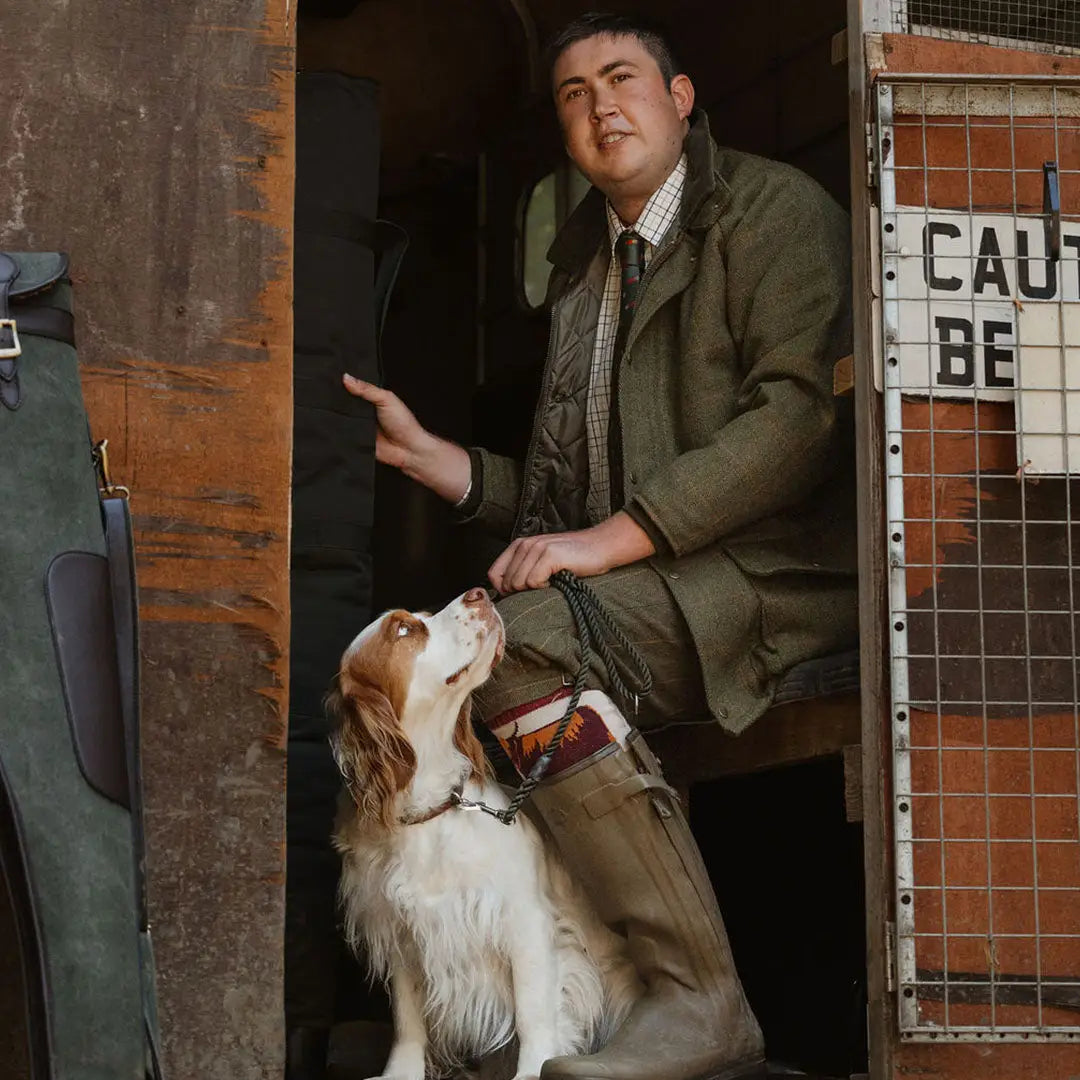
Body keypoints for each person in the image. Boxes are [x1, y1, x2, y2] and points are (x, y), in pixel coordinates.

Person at [344, 13, 857, 1080]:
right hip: (659, 576)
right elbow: (563, 500)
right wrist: (455, 470)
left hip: (779, 573)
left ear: (681, 98)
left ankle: (700, 1001)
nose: (598, 105)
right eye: (572, 94)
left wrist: (614, 538)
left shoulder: (771, 212)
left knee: (513, 645)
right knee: (499, 632)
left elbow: (798, 423)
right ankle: (542, 1009)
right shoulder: (586, 256)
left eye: (621, 79)